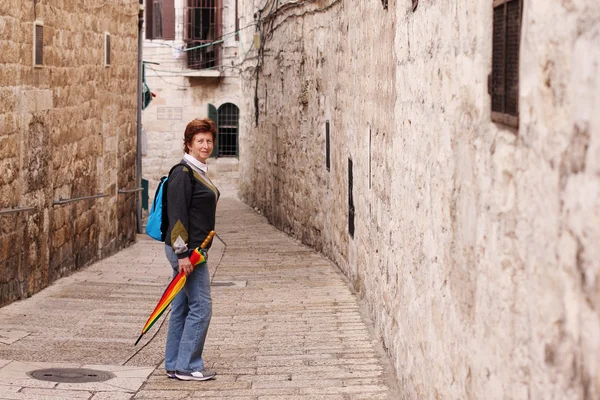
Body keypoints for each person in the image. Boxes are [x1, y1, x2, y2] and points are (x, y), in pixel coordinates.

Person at [164, 118, 220, 381]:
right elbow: (177, 215)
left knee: (183, 307)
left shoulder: (198, 171)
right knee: (201, 306)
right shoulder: (183, 173)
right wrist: (182, 254)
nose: (205, 145)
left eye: (209, 140)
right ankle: (188, 366)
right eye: (200, 140)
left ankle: (175, 363)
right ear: (188, 144)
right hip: (189, 252)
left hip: (193, 250)